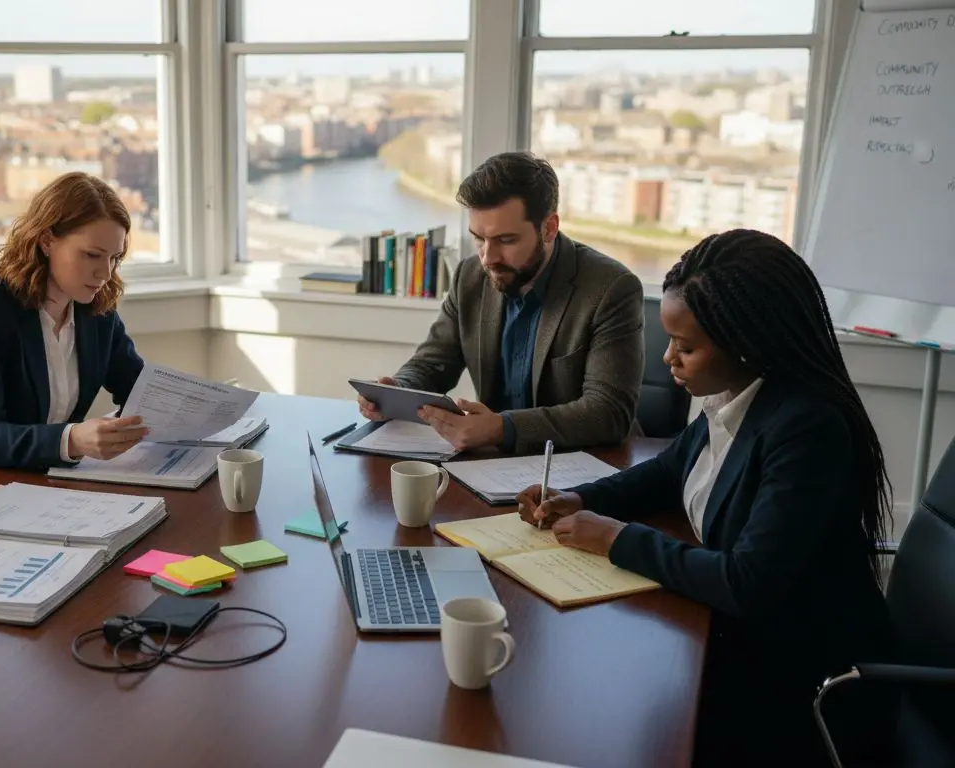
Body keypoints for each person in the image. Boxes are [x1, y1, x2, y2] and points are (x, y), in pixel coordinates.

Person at [516, 229, 894, 766]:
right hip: (736, 637)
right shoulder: (734, 393)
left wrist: (617, 539)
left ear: (746, 341)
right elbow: (668, 471)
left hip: (800, 677)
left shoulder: (807, 428)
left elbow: (748, 582)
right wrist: (579, 498)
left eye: (686, 346)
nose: (667, 357)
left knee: (604, 719)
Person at [358, 151, 644, 454]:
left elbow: (608, 412)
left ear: (549, 228)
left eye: (506, 240)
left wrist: (502, 428)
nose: (487, 258)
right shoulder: (469, 276)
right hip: (491, 464)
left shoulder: (611, 289)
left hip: (582, 464)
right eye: (479, 238)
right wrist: (397, 391)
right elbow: (433, 363)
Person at [0, 172, 149, 496]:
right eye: (92, 255)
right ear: (47, 240)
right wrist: (72, 439)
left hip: (43, 485)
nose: (105, 273)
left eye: (114, 257)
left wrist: (192, 407)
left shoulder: (97, 311)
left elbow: (140, 391)